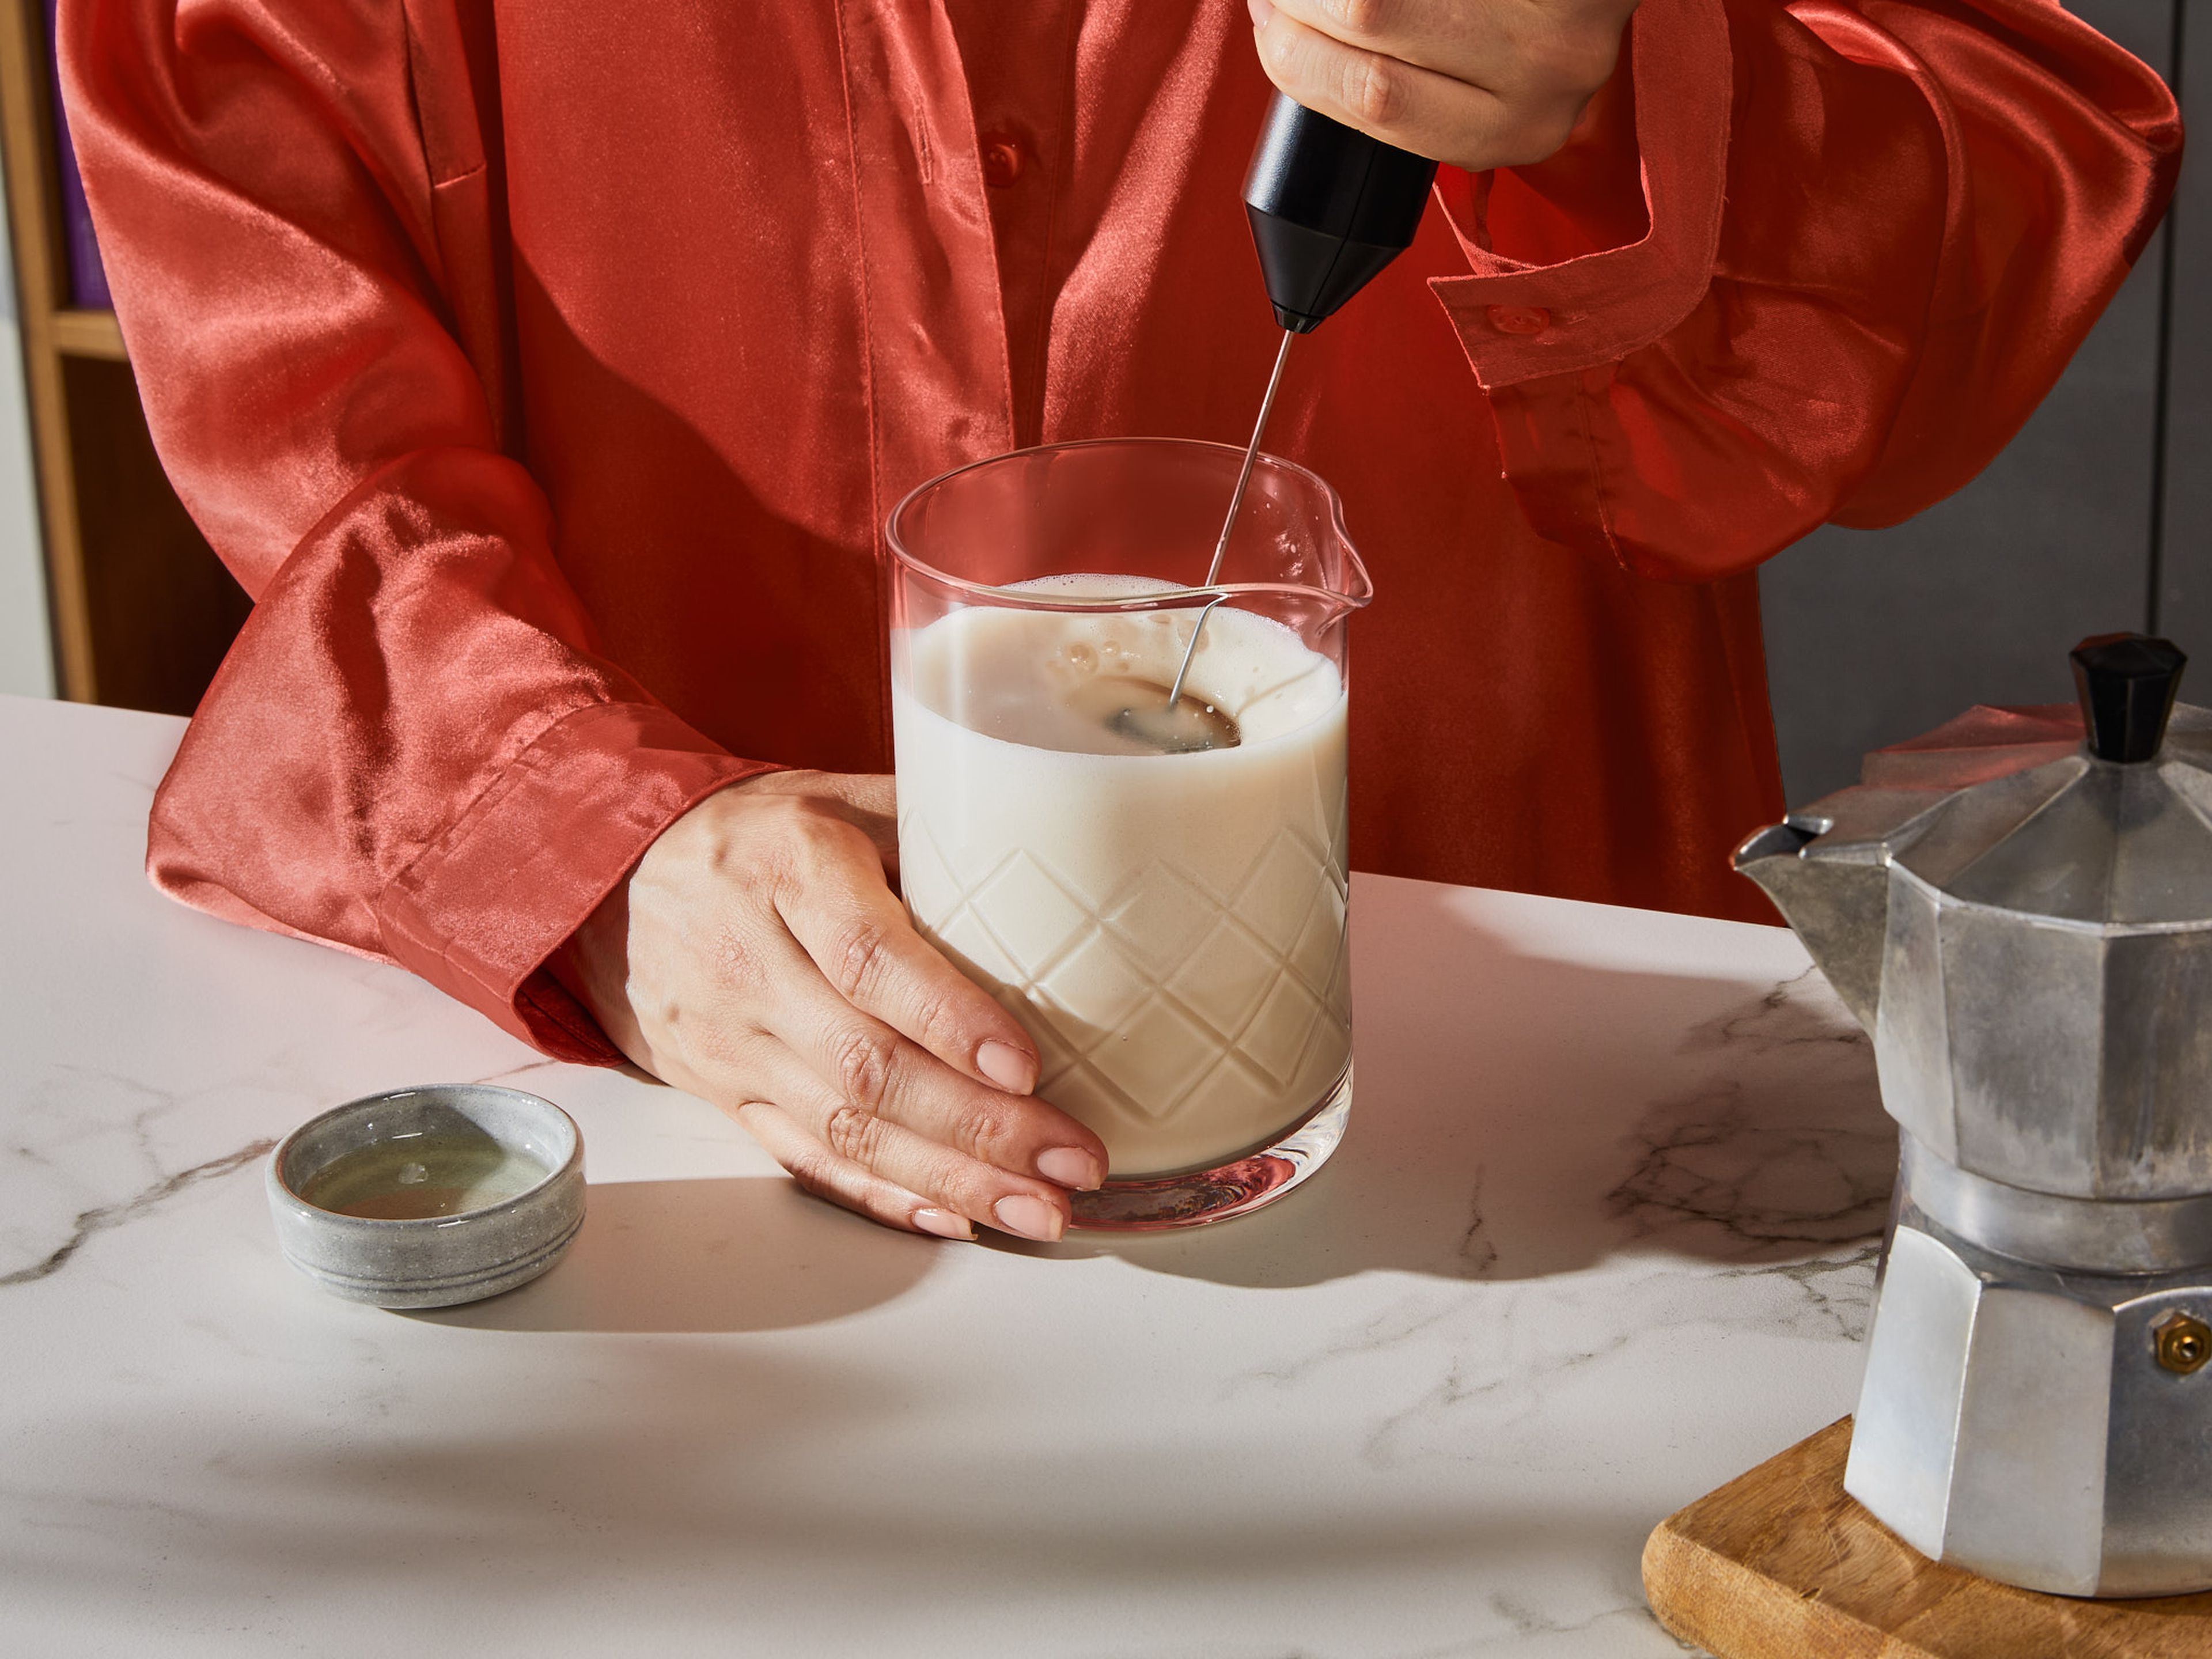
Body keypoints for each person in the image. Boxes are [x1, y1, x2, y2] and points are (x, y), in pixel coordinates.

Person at [65, 0, 2177, 1242]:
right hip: (693, 1154)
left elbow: (2022, 155)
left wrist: (1649, 65)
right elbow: (301, 411)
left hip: (1508, 1150)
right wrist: (597, 845)